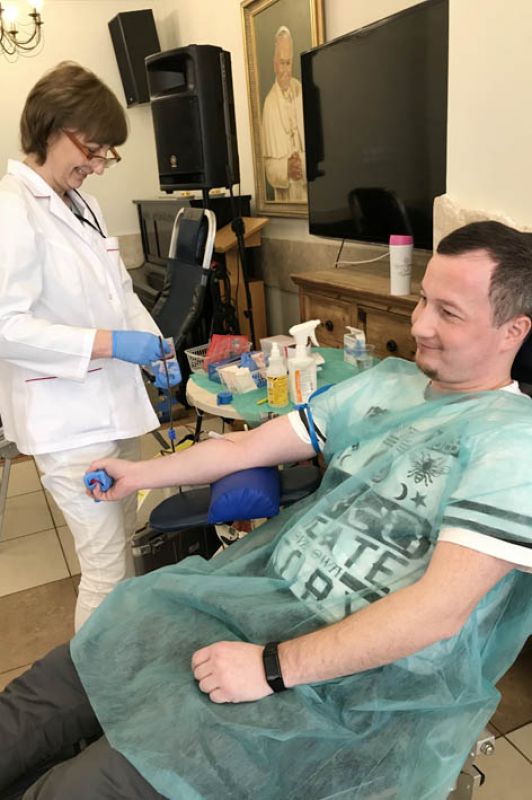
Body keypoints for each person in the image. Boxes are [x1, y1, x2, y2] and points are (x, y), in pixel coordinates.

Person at [2, 220, 532, 800]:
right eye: (423, 299)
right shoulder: (385, 386)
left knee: (84, 787)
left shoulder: (514, 445)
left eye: (448, 313)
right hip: (244, 604)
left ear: (514, 329)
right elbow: (245, 447)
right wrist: (140, 475)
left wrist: (273, 667)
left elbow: (437, 612)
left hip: (346, 683)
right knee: (38, 703)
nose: (420, 324)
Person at [0, 62, 180, 632]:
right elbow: (6, 326)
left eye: (107, 154)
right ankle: (95, 681)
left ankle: (121, 657)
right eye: (93, 150)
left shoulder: (85, 206)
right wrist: (110, 344)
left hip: (115, 407)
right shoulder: (12, 208)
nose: (99, 165)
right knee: (105, 568)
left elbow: (119, 291)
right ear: (52, 128)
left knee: (124, 543)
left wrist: (155, 345)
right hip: (67, 421)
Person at [262, 26, 307, 202]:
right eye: (281, 63)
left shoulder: (303, 93)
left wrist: (302, 163)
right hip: (285, 200)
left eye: (288, 63)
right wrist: (287, 167)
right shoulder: (269, 104)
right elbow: (268, 168)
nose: (285, 70)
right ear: (274, 64)